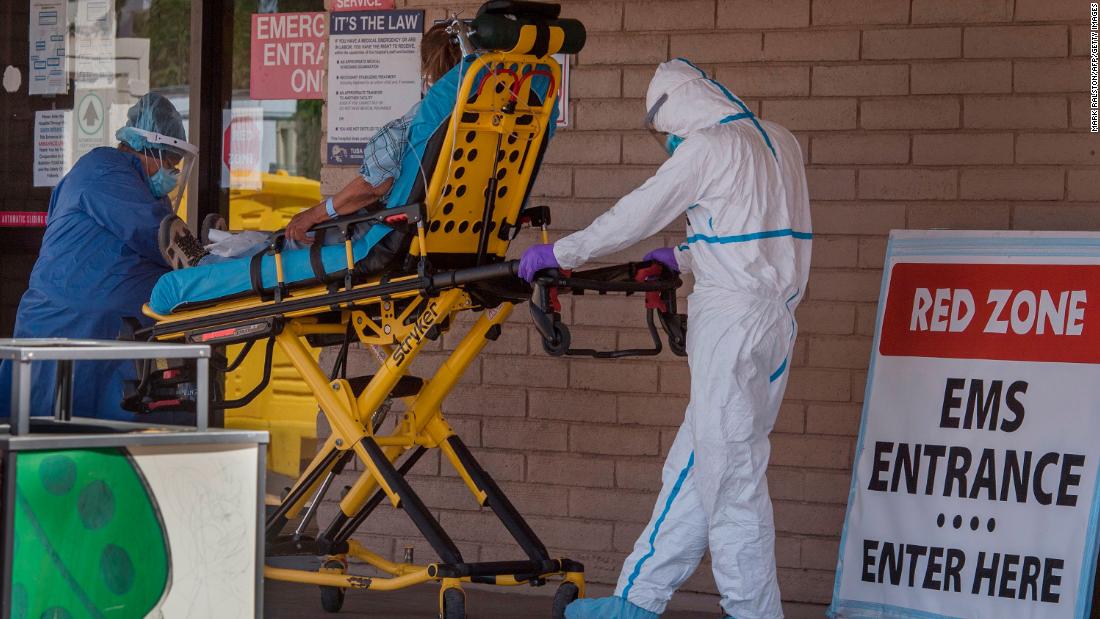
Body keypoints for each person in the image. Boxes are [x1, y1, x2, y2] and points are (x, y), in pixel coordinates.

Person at [519, 58, 812, 619]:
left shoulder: (708, 146)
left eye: (667, 133)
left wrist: (562, 253)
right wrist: (681, 255)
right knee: (695, 466)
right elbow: (763, 233)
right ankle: (635, 601)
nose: (671, 144)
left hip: (731, 328)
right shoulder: (780, 140)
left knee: (731, 482)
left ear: (678, 112)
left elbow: (637, 213)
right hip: (775, 323)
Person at [160, 22, 464, 269]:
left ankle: (205, 265)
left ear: (428, 70)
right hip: (433, 238)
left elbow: (373, 186)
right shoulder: (467, 123)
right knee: (278, 238)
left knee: (290, 241)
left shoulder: (423, 121)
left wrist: (315, 214)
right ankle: (224, 243)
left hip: (378, 237)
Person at [0, 93, 197, 421]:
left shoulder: (137, 186)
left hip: (98, 334)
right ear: (147, 148)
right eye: (168, 163)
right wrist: (209, 263)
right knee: (50, 444)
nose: (172, 174)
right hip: (67, 329)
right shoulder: (106, 173)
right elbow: (163, 237)